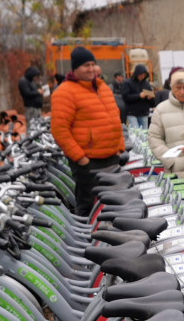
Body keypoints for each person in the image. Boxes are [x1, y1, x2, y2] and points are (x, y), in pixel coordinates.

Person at [50, 46, 124, 216]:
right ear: (75, 69)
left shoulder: (102, 87)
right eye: (86, 65)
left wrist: (119, 146)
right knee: (88, 206)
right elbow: (59, 130)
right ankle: (87, 240)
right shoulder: (64, 92)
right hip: (89, 162)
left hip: (111, 157)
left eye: (93, 64)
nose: (91, 69)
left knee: (112, 206)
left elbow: (114, 118)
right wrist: (80, 158)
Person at [147, 70, 184, 183]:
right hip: (175, 173)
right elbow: (154, 138)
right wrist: (170, 161)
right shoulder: (161, 110)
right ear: (171, 87)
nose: (182, 92)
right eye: (178, 87)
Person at [121, 63, 155, 128]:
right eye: (141, 74)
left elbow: (152, 100)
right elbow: (125, 97)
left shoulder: (146, 83)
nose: (142, 76)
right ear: (136, 74)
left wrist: (150, 97)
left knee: (144, 133)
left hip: (144, 112)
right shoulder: (128, 83)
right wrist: (139, 96)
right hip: (132, 112)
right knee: (135, 133)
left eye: (144, 75)